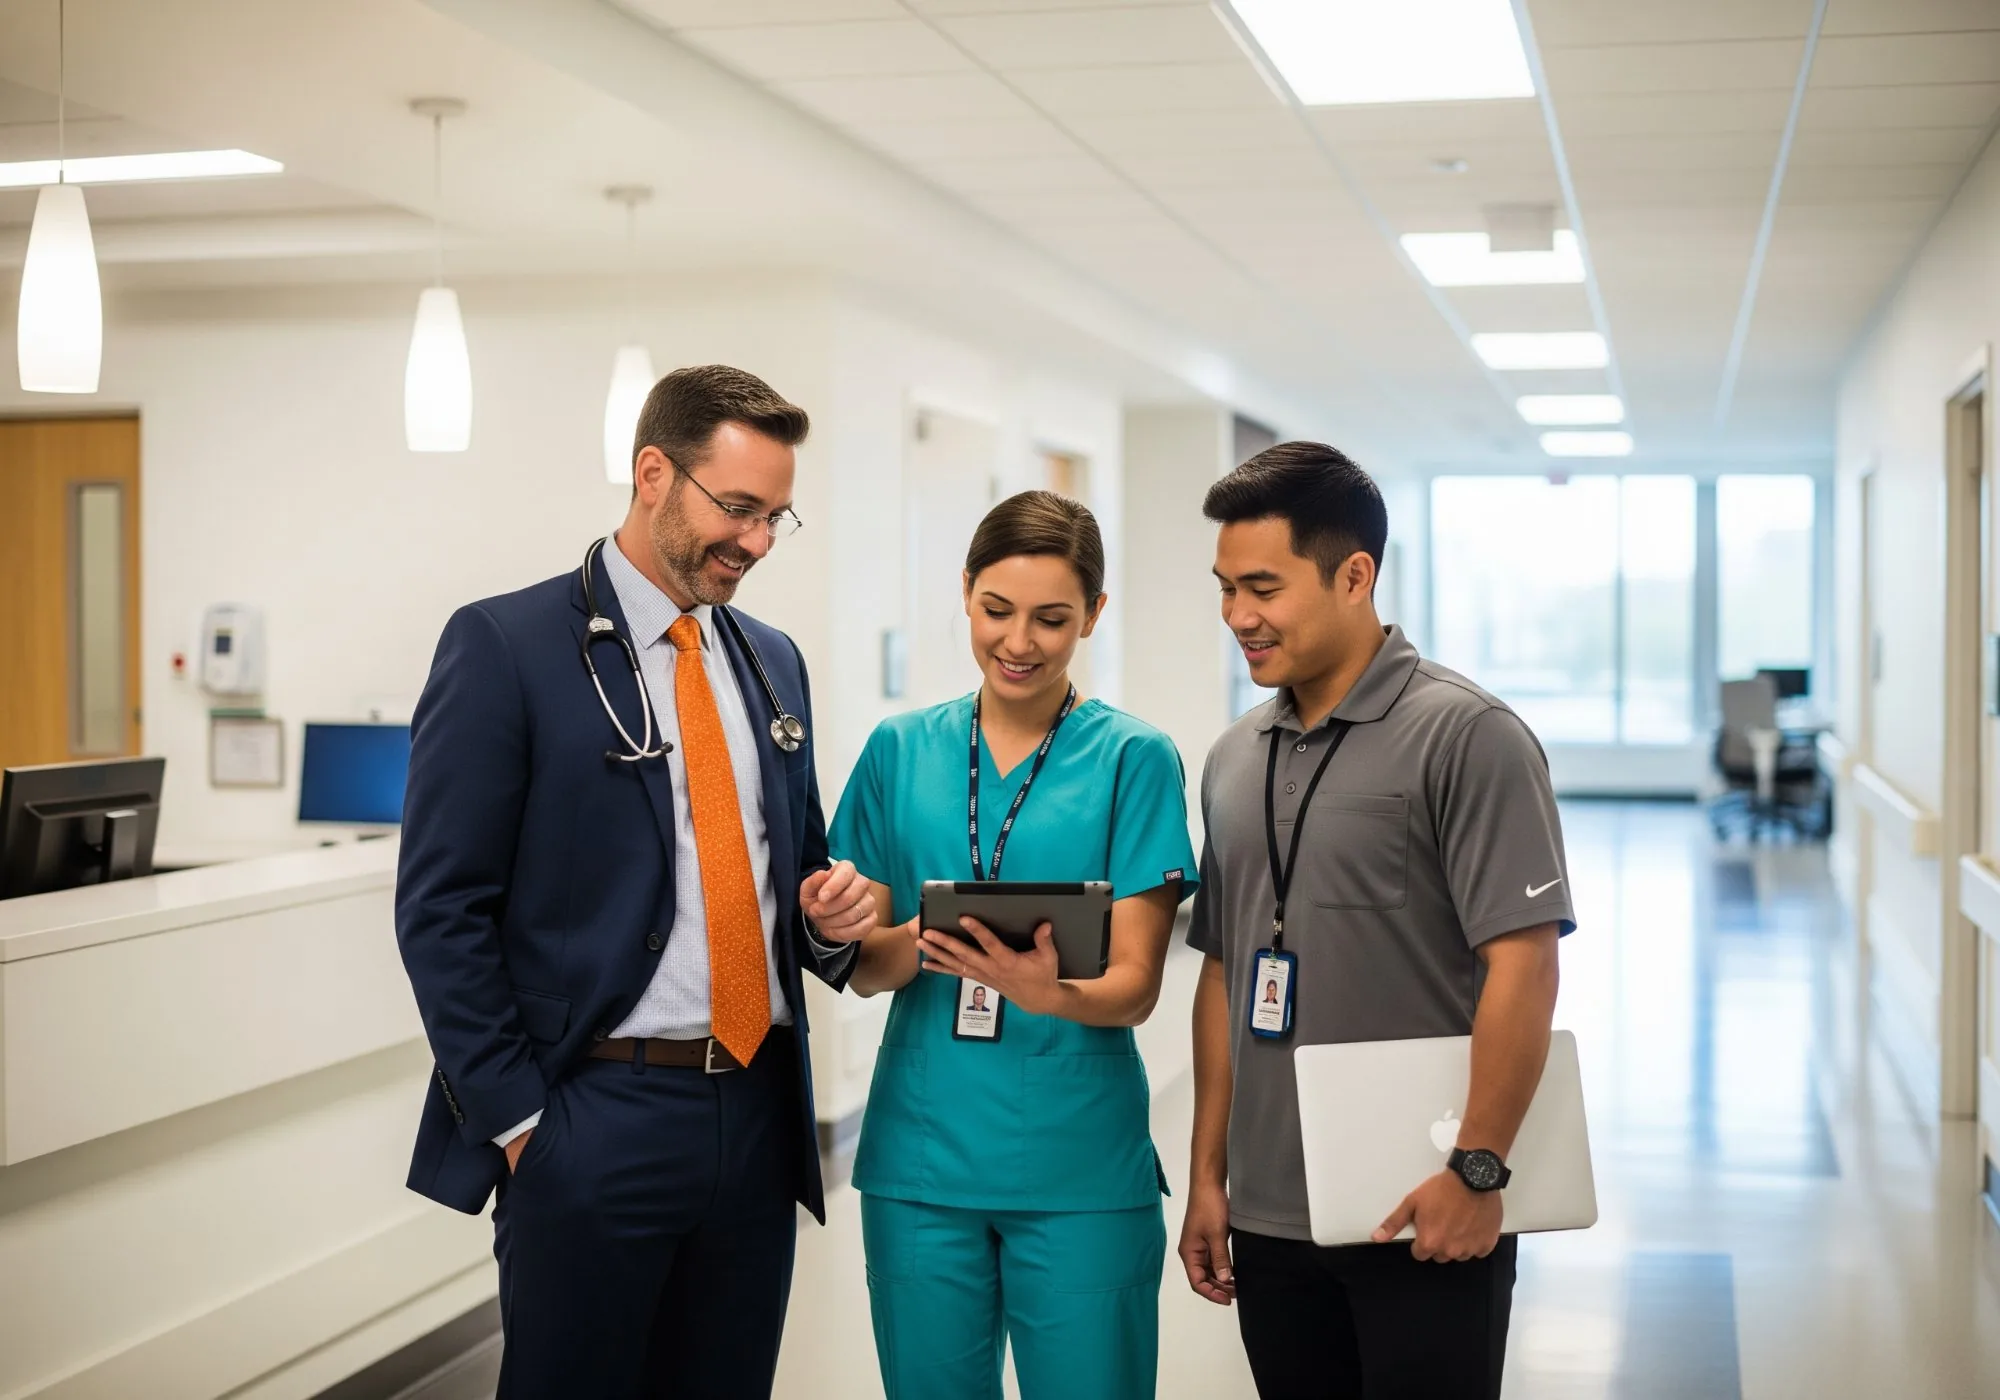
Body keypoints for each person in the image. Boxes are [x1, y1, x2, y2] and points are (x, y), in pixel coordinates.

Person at [395, 364, 877, 1400]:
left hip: (753, 1112)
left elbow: (793, 860)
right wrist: (524, 1125)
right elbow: (441, 909)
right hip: (592, 1112)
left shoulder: (769, 659)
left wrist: (828, 910)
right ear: (652, 473)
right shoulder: (506, 645)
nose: (755, 541)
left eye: (775, 517)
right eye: (737, 508)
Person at [1177, 442, 1573, 1400]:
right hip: (1272, 1217)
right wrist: (1208, 1175)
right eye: (1226, 588)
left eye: (1263, 587)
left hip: (1424, 1204)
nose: (1238, 616)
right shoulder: (1235, 757)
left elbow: (1523, 966)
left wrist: (1478, 1171)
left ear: (1355, 575)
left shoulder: (1469, 737)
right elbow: (1227, 972)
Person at [829, 490, 1198, 1400]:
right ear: (964, 593)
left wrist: (1047, 992)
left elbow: (1138, 985)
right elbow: (867, 972)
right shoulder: (898, 750)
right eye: (997, 611)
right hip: (922, 1157)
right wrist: (914, 936)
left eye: (1052, 619)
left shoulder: (1133, 759)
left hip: (1079, 1165)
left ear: (1093, 616)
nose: (1019, 642)